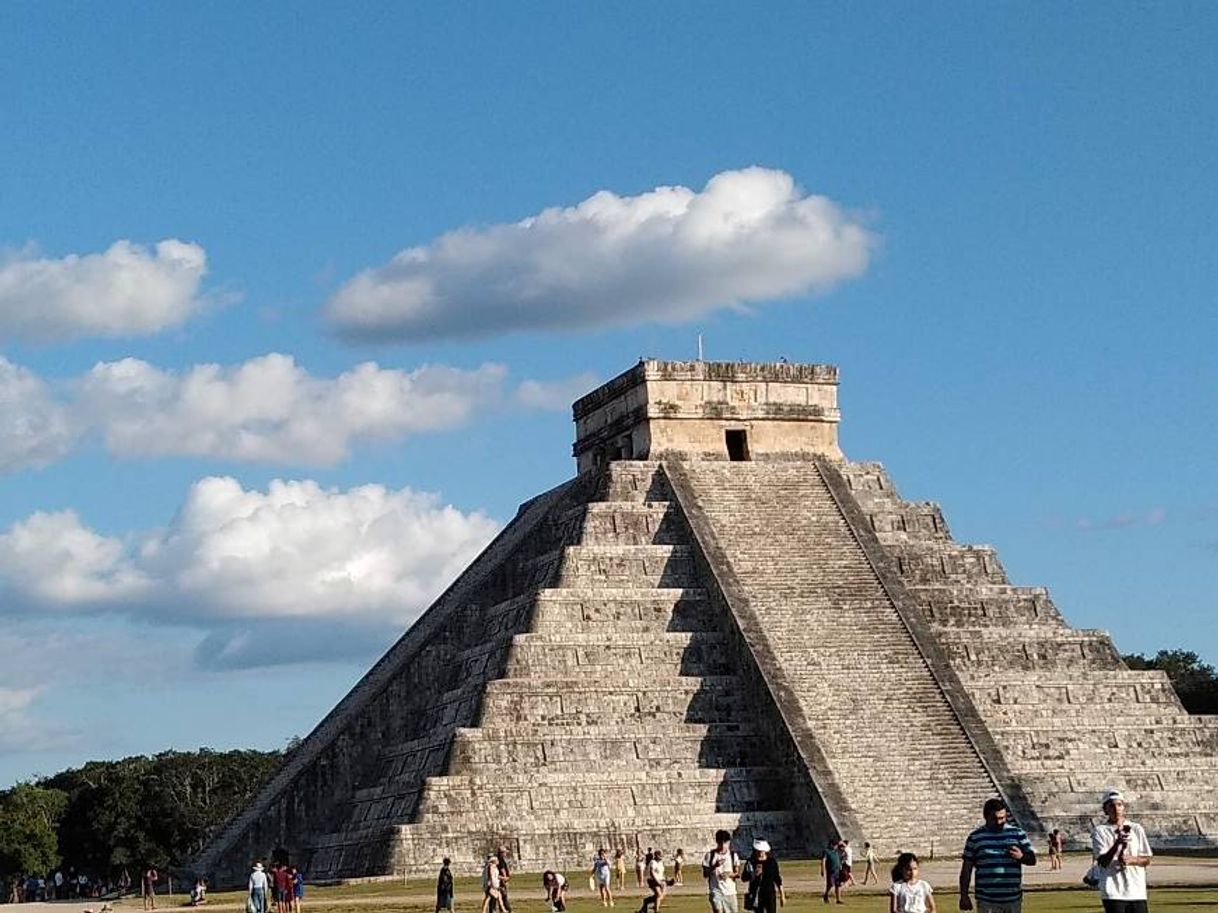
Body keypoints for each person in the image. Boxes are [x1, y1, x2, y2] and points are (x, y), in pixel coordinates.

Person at [958, 797, 1036, 913]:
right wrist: (964, 895)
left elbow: (1032, 860)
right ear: (986, 817)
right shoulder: (975, 838)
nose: (999, 822)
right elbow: (966, 869)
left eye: (1002, 818)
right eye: (995, 819)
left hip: (1012, 899)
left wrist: (1022, 856)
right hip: (987, 900)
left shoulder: (1017, 834)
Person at [1090, 789, 1152, 913]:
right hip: (1113, 891)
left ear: (1124, 807)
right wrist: (1117, 844)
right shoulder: (1100, 831)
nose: (1116, 809)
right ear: (1105, 809)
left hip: (1137, 891)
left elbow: (1147, 858)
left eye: (1119, 805)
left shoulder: (1136, 828)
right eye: (1111, 805)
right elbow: (1103, 861)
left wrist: (1133, 860)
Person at [702, 829, 740, 913]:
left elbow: (737, 874)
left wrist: (730, 874)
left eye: (725, 843)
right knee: (718, 910)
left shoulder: (733, 856)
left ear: (729, 842)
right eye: (720, 843)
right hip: (716, 890)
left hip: (730, 891)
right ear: (717, 842)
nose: (723, 846)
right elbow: (705, 874)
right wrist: (715, 866)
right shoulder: (710, 856)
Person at [740, 840, 783, 913]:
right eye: (758, 851)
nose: (760, 853)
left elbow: (777, 878)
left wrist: (782, 895)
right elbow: (744, 878)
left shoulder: (771, 862)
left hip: (769, 893)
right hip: (756, 893)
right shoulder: (751, 862)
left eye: (762, 851)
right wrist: (754, 874)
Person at [819, 840, 842, 904]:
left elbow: (838, 859)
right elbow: (823, 860)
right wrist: (822, 870)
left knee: (838, 885)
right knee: (830, 884)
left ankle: (838, 899)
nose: (836, 846)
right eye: (835, 845)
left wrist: (840, 866)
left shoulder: (836, 851)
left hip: (837, 870)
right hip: (830, 871)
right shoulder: (826, 851)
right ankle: (826, 895)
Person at [497, 847, 513, 913]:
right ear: (502, 853)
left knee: (502, 897)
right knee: (504, 897)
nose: (506, 853)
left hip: (501, 880)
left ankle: (503, 910)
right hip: (502, 881)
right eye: (505, 852)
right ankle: (508, 910)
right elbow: (502, 870)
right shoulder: (501, 860)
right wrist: (505, 879)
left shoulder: (500, 859)